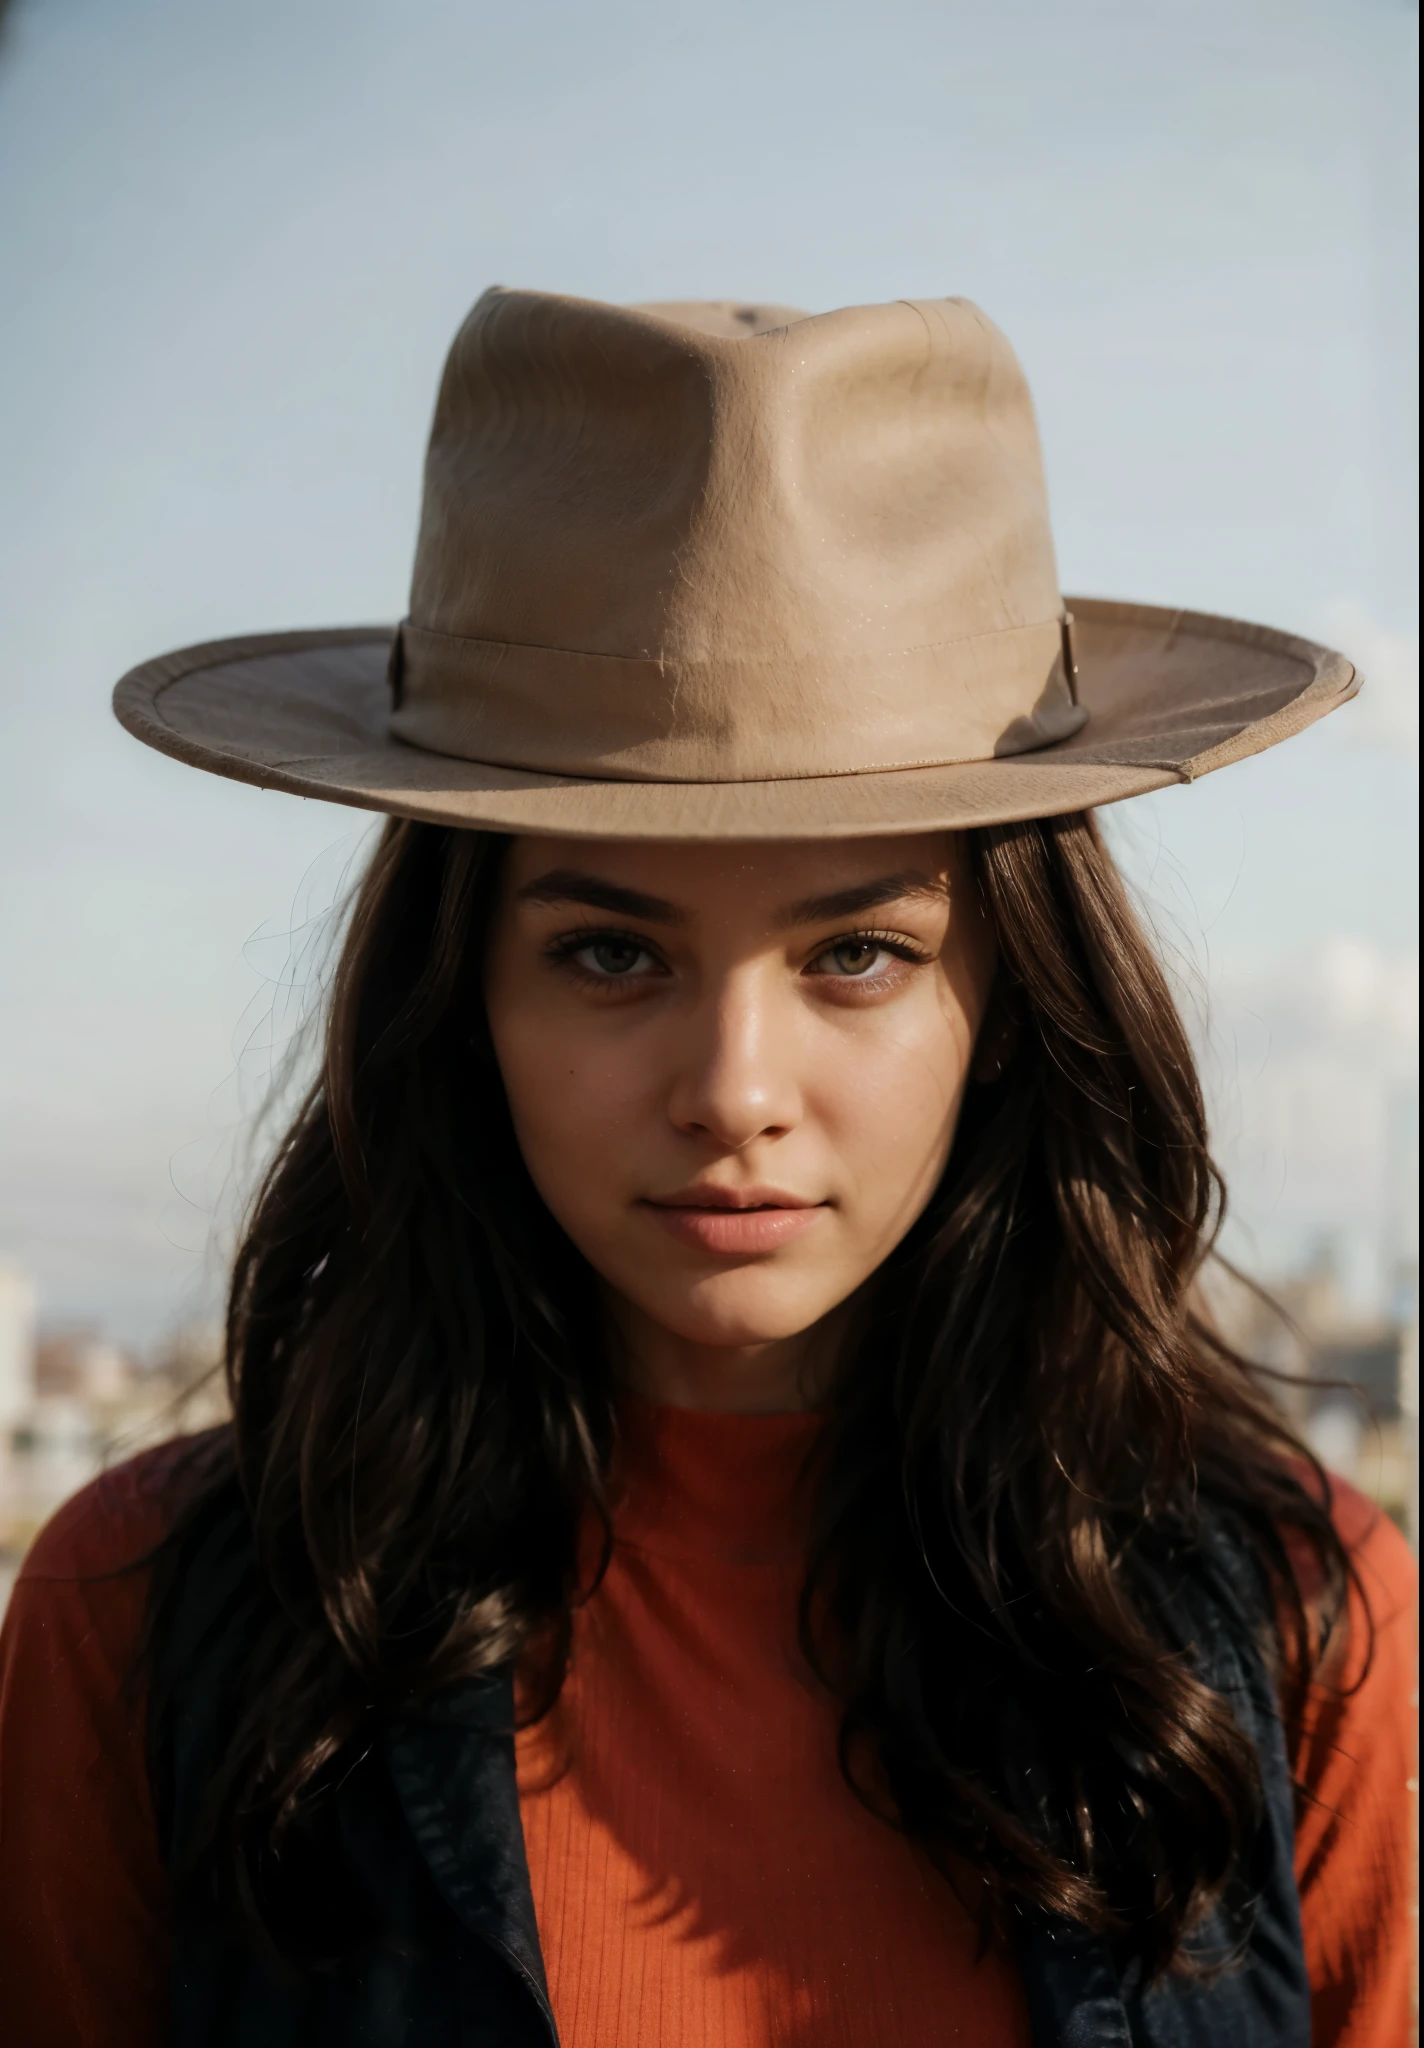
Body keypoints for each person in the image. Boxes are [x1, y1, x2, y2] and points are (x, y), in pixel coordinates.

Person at [0, 292, 1413, 2048]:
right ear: (461, 998)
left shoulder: (1296, 1625)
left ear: (1011, 993)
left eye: (857, 956)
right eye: (610, 953)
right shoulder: (143, 1624)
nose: (734, 1091)